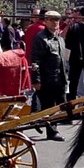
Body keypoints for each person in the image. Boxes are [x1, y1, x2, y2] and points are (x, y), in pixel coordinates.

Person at [30, 10, 68, 141]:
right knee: (49, 106)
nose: (55, 23)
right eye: (51, 20)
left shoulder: (59, 39)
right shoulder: (41, 38)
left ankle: (39, 119)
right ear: (45, 22)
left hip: (60, 78)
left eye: (57, 20)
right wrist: (36, 80)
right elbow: (35, 61)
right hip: (47, 79)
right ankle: (52, 131)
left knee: (61, 105)